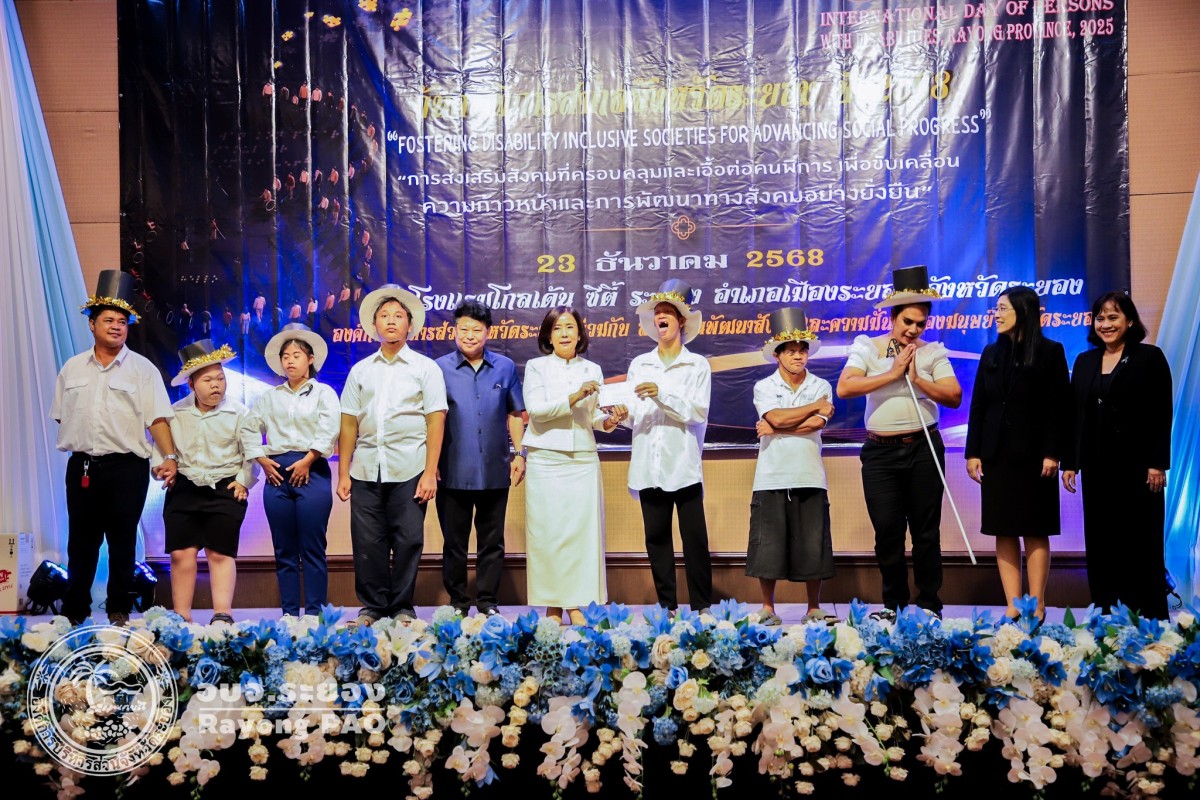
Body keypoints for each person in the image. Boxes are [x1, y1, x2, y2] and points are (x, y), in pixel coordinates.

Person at [50, 270, 178, 626]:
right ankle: (74, 611)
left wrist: (169, 456)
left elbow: (157, 418)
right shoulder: (72, 368)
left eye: (122, 322)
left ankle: (118, 609)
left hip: (127, 468)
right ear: (92, 324)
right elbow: (62, 415)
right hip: (83, 467)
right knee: (81, 542)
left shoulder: (143, 369)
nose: (117, 327)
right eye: (108, 320)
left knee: (123, 542)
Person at [836, 266, 962, 620]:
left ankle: (929, 605)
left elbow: (953, 395)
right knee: (888, 532)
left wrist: (917, 378)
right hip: (880, 453)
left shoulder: (931, 351)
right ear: (892, 317)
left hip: (924, 448)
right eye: (907, 321)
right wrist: (892, 373)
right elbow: (845, 387)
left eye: (920, 324)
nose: (913, 330)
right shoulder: (868, 347)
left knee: (925, 532)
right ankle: (894, 605)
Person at [337, 285, 447, 625]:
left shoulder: (425, 368)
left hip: (410, 467)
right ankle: (372, 606)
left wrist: (430, 471)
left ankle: (401, 606)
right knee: (367, 542)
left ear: (409, 325)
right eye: (384, 316)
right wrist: (343, 473)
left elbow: (436, 420)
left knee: (408, 540)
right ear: (374, 325)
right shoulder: (361, 370)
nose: (391, 321)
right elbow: (349, 423)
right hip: (365, 468)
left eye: (398, 316)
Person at [1061, 292, 1173, 619]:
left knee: (1140, 544)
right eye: (1100, 318)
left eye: (1113, 317)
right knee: (1101, 544)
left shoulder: (1149, 357)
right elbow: (1074, 416)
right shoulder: (1085, 361)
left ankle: (1149, 619)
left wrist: (1157, 463)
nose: (1106, 324)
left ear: (1130, 321)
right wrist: (1071, 462)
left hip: (1139, 470)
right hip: (1097, 469)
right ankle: (1106, 616)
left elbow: (1161, 413)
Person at [964, 286, 1071, 622]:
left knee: (1035, 528)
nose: (996, 315)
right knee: (1004, 528)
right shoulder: (990, 353)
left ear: (1024, 312)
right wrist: (973, 452)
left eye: (1002, 309)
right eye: (995, 308)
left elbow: (1059, 408)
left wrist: (1053, 452)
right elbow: (979, 406)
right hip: (996, 456)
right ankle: (1013, 604)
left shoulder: (1050, 352)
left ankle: (1037, 604)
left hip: (1036, 457)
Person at [523, 307, 625, 625]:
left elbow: (593, 418)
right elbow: (536, 411)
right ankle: (553, 606)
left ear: (580, 333)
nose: (565, 333)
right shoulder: (536, 367)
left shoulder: (592, 369)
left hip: (582, 459)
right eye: (557, 328)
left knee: (581, 535)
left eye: (570, 327)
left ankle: (575, 603)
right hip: (545, 457)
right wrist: (574, 395)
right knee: (547, 534)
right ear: (548, 336)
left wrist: (612, 420)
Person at [625, 279, 712, 613]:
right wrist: (619, 414)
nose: (660, 317)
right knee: (656, 538)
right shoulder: (640, 364)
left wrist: (661, 394)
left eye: (667, 313)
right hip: (648, 464)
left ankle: (702, 607)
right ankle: (667, 607)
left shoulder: (697, 365)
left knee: (694, 540)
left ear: (681, 321)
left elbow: (697, 411)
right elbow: (634, 414)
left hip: (683, 464)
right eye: (657, 312)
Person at [436, 300, 526, 617]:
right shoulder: (438, 369)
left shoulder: (505, 367)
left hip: (494, 470)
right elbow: (430, 419)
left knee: (492, 542)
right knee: (454, 543)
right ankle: (458, 603)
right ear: (454, 330)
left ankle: (488, 602)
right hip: (451, 471)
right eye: (464, 329)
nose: (470, 335)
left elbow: (515, 413)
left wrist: (520, 453)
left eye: (477, 329)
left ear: (488, 332)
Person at [158, 340, 257, 624]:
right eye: (208, 380)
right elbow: (162, 452)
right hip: (184, 487)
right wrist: (162, 469)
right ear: (191, 384)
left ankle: (222, 613)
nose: (216, 385)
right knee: (181, 553)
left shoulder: (239, 412)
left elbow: (251, 452)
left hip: (225, 487)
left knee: (220, 552)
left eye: (220, 378)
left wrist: (244, 481)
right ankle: (181, 615)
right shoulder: (174, 413)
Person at [750, 308, 837, 626]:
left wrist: (776, 427)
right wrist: (809, 408)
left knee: (813, 543)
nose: (798, 355)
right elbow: (775, 416)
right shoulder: (764, 386)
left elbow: (815, 425)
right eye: (790, 350)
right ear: (777, 355)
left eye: (803, 350)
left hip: (809, 474)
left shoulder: (821, 384)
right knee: (768, 545)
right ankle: (768, 608)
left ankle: (813, 607)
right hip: (771, 476)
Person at [246, 323, 340, 617]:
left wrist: (308, 459)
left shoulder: (323, 393)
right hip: (276, 473)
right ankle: (288, 614)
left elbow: (329, 429)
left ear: (310, 359)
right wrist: (261, 459)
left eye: (296, 355)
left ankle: (314, 614)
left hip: (312, 471)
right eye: (285, 356)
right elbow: (248, 428)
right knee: (283, 549)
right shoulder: (270, 396)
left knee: (312, 547)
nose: (290, 360)